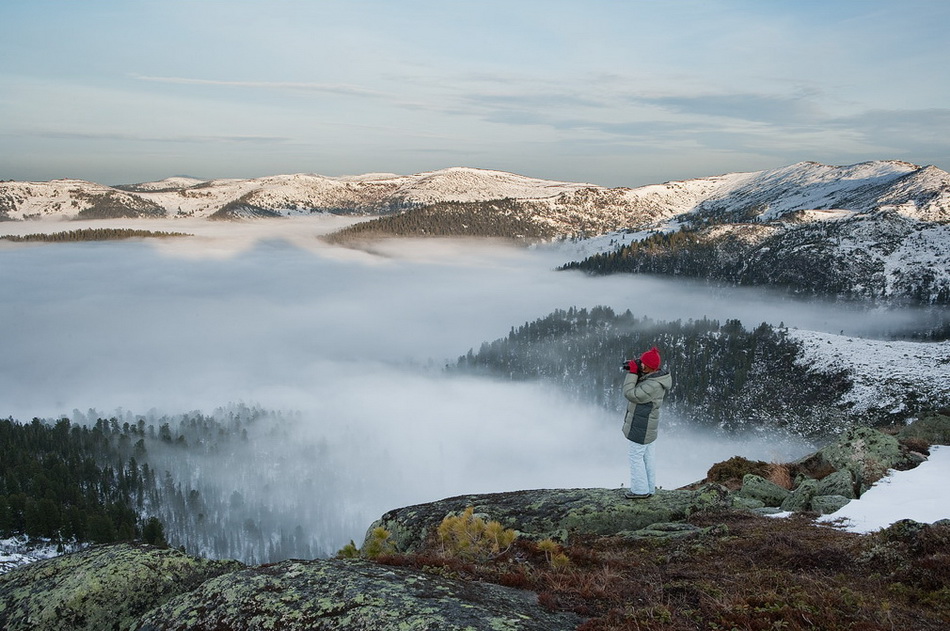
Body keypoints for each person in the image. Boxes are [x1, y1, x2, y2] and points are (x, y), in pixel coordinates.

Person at [620, 346, 672, 499]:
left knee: (635, 457)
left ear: (649, 367)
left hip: (642, 427)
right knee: (647, 458)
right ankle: (649, 488)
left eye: (643, 363)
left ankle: (639, 490)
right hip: (647, 426)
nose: (640, 365)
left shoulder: (653, 385)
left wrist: (632, 372)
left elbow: (631, 394)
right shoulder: (654, 377)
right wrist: (637, 369)